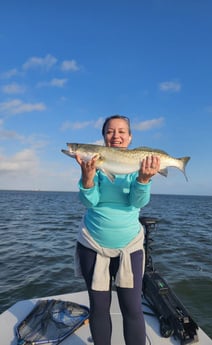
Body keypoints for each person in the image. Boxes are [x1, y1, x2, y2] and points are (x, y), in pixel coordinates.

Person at [75, 114, 160, 345]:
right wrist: (87, 178)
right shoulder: (97, 163)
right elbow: (89, 202)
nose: (116, 136)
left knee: (132, 309)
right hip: (92, 245)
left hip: (129, 248)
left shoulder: (136, 166)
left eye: (122, 131)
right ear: (103, 138)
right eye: (110, 132)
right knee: (99, 309)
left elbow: (138, 202)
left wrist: (143, 180)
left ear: (130, 137)